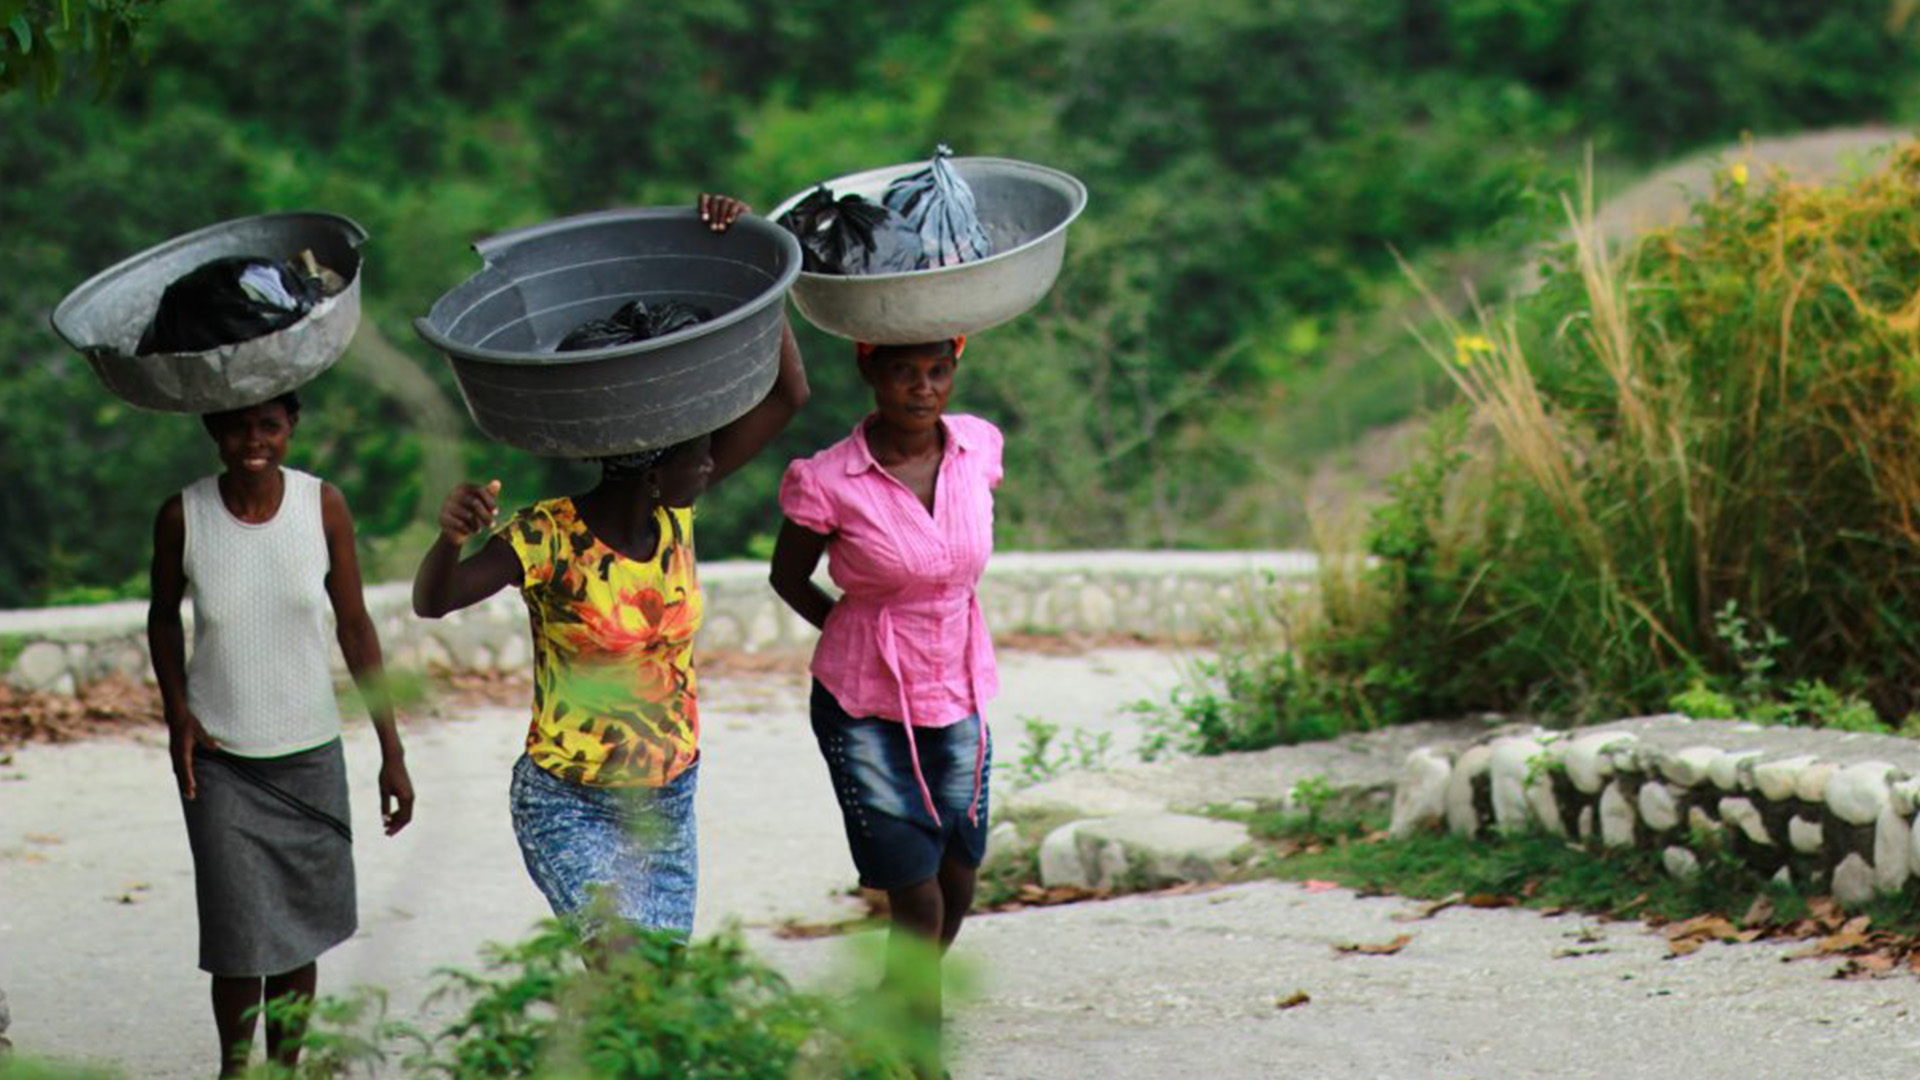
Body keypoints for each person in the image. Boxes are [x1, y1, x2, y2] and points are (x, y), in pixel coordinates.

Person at [411, 194, 807, 944]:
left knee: (652, 995)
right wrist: (448, 539)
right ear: (654, 471)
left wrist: (751, 279)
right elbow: (437, 601)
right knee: (622, 965)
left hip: (667, 799)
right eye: (700, 450)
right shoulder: (548, 537)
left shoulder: (674, 515)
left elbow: (789, 393)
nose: (712, 459)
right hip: (569, 799)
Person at [147, 389, 415, 1078]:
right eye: (236, 428)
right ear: (212, 430)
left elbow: (355, 626)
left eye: (269, 425)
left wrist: (392, 749)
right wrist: (178, 712)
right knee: (240, 939)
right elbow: (161, 619)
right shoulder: (185, 516)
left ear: (292, 426)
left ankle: (284, 1070)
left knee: (297, 933)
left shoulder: (321, 507)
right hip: (221, 758)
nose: (253, 441)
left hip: (309, 754)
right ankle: (236, 1070)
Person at [768, 336, 999, 1047]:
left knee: (959, 877)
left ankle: (891, 1008)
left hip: (959, 690)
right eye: (903, 373)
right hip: (865, 705)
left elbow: (961, 558)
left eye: (938, 372)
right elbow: (788, 576)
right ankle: (920, 1057)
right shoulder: (829, 479)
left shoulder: (978, 448)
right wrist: (854, 629)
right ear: (870, 371)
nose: (923, 389)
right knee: (916, 892)